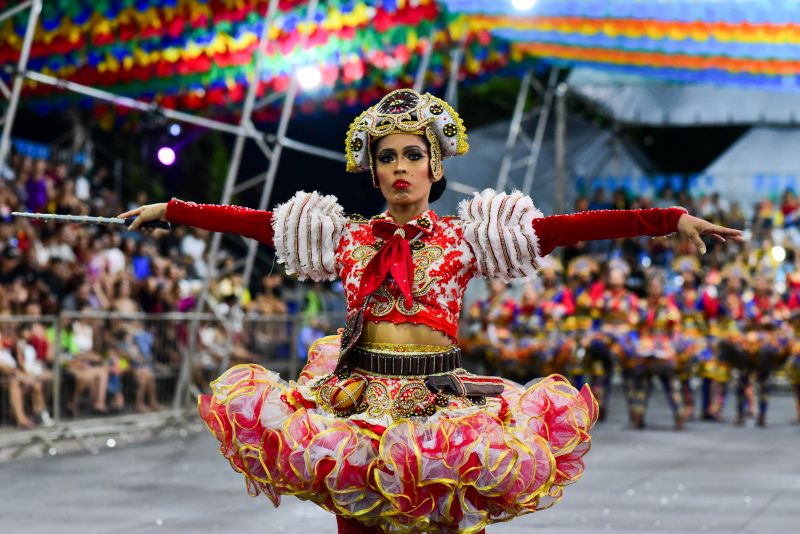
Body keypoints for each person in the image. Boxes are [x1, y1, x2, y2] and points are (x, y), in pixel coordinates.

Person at [120, 89, 743, 533]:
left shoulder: (468, 237)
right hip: (356, 407)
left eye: (411, 156)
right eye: (387, 157)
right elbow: (254, 223)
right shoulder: (346, 236)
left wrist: (669, 220)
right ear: (373, 169)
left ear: (435, 166)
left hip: (440, 406)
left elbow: (573, 228)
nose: (399, 168)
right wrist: (172, 211)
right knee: (359, 527)